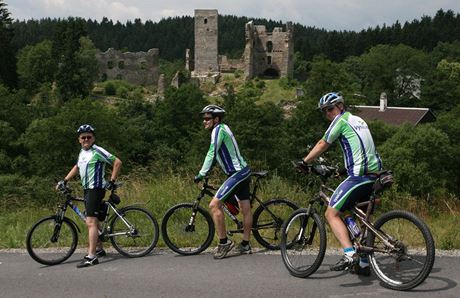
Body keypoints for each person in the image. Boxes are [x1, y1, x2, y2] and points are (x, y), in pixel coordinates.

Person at [301, 92, 382, 276]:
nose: (328, 114)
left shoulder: (340, 120)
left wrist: (305, 162)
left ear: (340, 106)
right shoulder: (359, 120)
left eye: (330, 109)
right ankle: (362, 263)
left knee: (331, 213)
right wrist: (344, 170)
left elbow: (323, 144)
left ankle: (349, 254)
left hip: (359, 176)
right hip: (375, 175)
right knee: (356, 216)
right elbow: (362, 148)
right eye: (324, 111)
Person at [57, 124, 122, 268]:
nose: (86, 139)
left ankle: (91, 256)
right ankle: (99, 249)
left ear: (93, 138)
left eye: (89, 137)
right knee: (95, 219)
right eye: (83, 137)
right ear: (79, 140)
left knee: (90, 222)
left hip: (96, 189)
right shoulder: (82, 153)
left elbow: (117, 162)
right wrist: (65, 180)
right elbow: (77, 166)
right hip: (87, 190)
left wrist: (112, 181)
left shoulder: (97, 151)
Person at [194, 105, 253, 259]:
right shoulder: (222, 128)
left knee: (214, 204)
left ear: (216, 119)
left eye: (207, 119)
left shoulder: (218, 129)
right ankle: (245, 244)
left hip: (237, 173)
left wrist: (202, 173)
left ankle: (224, 243)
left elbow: (212, 152)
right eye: (204, 119)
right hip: (243, 171)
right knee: (245, 208)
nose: (204, 122)